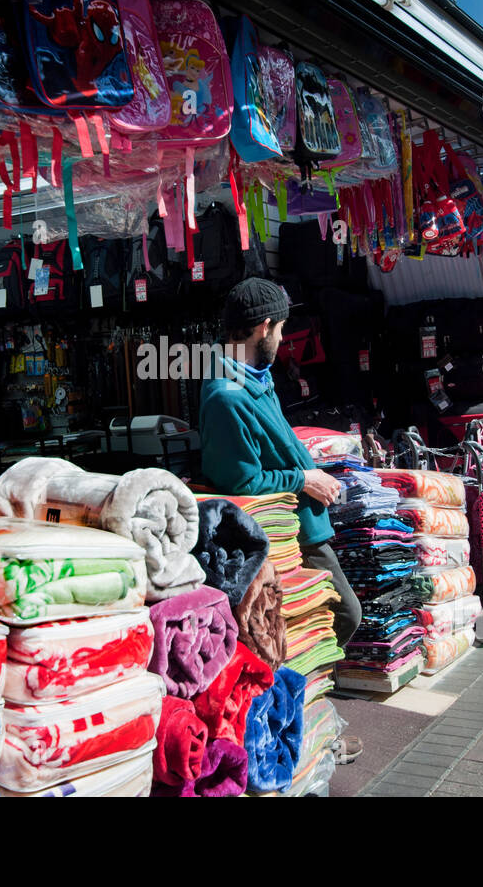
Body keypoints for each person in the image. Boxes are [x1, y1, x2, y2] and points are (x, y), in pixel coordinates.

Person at [199, 277, 362, 761]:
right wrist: (301, 479)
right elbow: (239, 481)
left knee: (316, 627)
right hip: (285, 539)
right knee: (339, 618)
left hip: (301, 530)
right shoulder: (226, 395)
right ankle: (304, 725)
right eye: (282, 328)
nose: (284, 339)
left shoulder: (253, 378)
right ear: (264, 326)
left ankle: (313, 731)